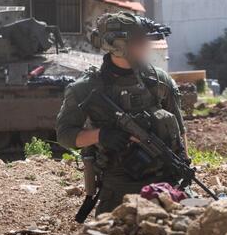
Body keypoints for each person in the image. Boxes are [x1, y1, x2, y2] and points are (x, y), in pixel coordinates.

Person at [56, 12, 185, 214]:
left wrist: (181, 165)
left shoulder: (160, 82)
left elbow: (179, 132)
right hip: (118, 190)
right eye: (138, 41)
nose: (145, 45)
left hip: (163, 185)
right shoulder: (84, 88)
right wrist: (101, 135)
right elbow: (65, 136)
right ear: (117, 46)